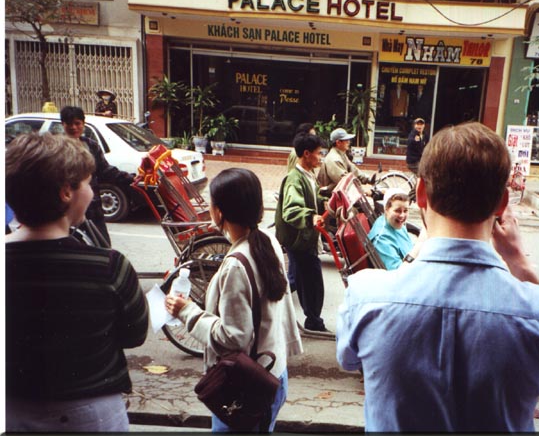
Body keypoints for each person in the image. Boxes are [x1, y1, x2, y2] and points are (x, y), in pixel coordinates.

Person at [336, 122, 539, 432]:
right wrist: (521, 264)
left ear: (420, 194)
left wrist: (416, 252)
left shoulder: (365, 296)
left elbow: (349, 360)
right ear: (502, 203)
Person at [5, 133, 148, 432]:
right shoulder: (109, 266)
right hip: (91, 416)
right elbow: (135, 334)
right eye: (87, 183)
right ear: (66, 192)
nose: (93, 193)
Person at [166, 168, 303, 432]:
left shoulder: (236, 266)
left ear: (219, 212)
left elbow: (234, 338)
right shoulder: (268, 242)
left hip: (246, 387)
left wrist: (187, 312)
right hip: (272, 375)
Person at [275, 132, 330, 333]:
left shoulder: (308, 175)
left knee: (301, 279)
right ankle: (313, 321)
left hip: (305, 238)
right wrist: (311, 217)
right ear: (306, 154)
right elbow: (291, 210)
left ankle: (310, 319)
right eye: (318, 153)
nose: (321, 157)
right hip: (299, 239)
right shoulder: (294, 179)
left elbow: (314, 194)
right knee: (309, 279)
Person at [60, 106, 134, 246]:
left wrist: (132, 179)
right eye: (69, 123)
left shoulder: (91, 145)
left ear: (83, 124)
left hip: (93, 208)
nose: (74, 127)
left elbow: (105, 171)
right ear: (62, 124)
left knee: (103, 246)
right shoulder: (57, 148)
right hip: (67, 209)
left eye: (77, 123)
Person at [368, 189, 415, 270]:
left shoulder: (394, 223)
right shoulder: (382, 239)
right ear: (386, 209)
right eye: (397, 211)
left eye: (405, 210)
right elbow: (398, 273)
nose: (402, 215)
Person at [317, 127, 372, 192]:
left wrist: (368, 179)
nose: (349, 142)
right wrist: (362, 191)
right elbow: (344, 181)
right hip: (330, 196)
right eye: (346, 140)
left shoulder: (341, 154)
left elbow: (353, 169)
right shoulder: (334, 159)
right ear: (338, 143)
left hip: (339, 194)